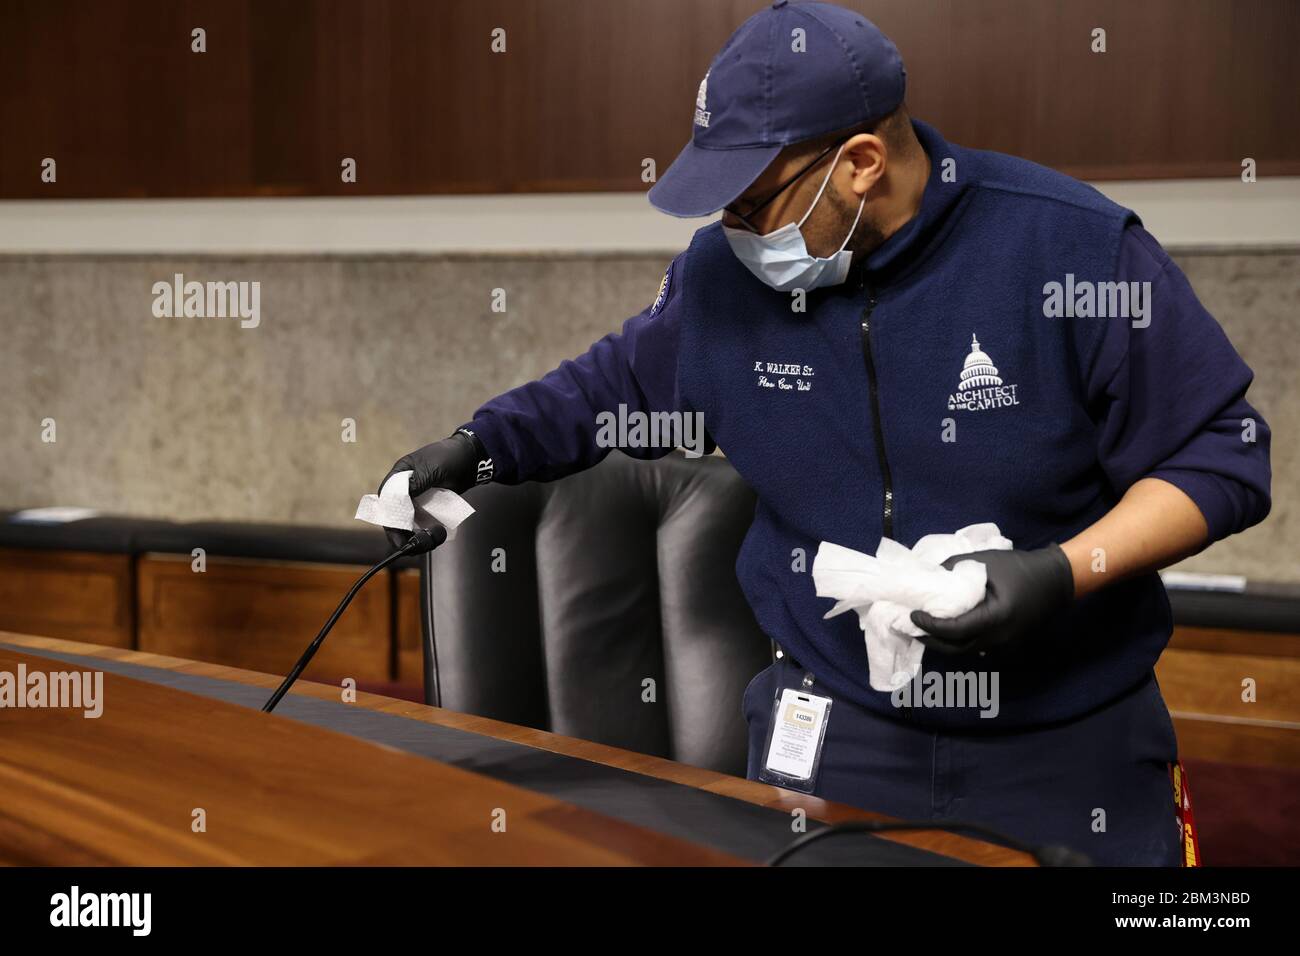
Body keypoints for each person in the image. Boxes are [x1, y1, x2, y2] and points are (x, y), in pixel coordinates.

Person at [379, 1, 1270, 865]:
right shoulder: (722, 282)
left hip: (1066, 736)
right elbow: (608, 387)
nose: (731, 231)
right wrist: (475, 447)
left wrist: (1058, 574)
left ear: (860, 162)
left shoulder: (1072, 250)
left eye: (752, 203)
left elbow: (1219, 458)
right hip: (838, 722)